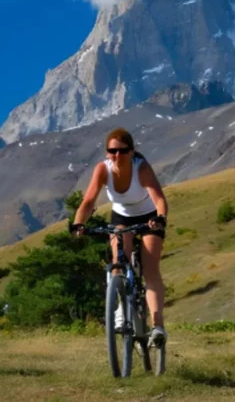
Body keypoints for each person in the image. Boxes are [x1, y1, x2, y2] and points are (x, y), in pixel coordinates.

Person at [71, 127, 169, 348]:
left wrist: (160, 218)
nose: (117, 155)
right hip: (122, 217)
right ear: (107, 152)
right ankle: (120, 307)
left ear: (132, 152)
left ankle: (157, 326)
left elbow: (160, 199)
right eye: (112, 151)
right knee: (117, 261)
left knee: (150, 268)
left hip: (149, 217)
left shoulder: (141, 168)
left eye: (122, 151)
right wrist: (79, 223)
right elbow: (88, 201)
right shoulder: (102, 170)